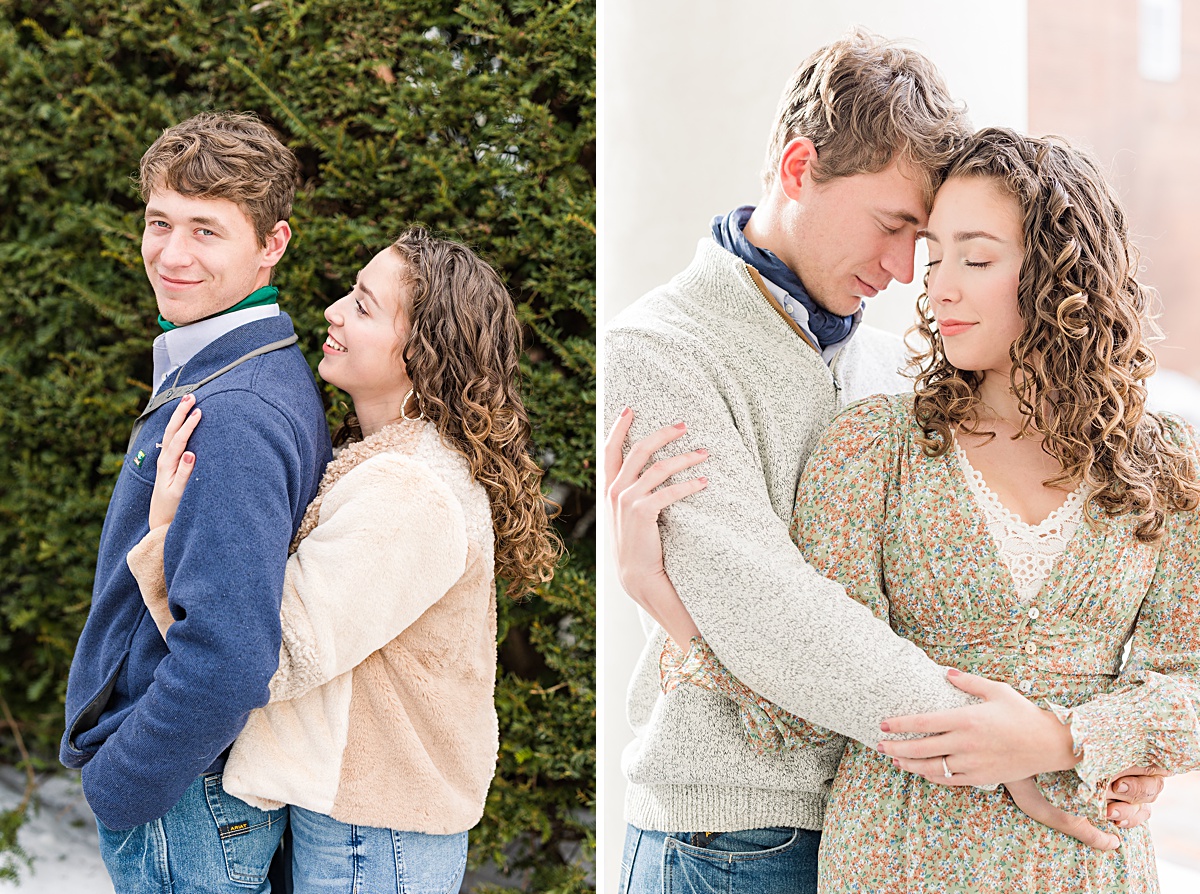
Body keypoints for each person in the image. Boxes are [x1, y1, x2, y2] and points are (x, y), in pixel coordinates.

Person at [602, 32, 1162, 894]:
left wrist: (1090, 737)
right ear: (799, 169)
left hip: (855, 817)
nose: (911, 275)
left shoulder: (873, 366)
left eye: (939, 248)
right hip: (727, 831)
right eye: (899, 229)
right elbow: (770, 612)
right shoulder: (662, 351)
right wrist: (1011, 746)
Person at [126, 228, 562, 892]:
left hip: (372, 837)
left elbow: (266, 658)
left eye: (363, 305)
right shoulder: (388, 460)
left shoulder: (406, 492)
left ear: (422, 351)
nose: (332, 310)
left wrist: (165, 537)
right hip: (363, 821)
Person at [59, 111, 332, 892]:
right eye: (160, 222)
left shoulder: (237, 411)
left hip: (187, 808)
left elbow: (232, 652)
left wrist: (122, 787)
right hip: (191, 803)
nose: (171, 255)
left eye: (206, 231)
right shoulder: (219, 366)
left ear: (272, 244)